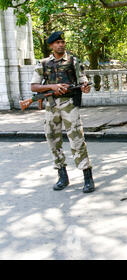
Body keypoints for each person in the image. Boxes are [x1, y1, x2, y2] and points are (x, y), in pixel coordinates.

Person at [30, 31, 95, 193]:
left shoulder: (74, 61)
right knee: (52, 138)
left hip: (69, 105)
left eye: (62, 42)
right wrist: (52, 87)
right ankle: (62, 176)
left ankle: (87, 177)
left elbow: (83, 82)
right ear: (51, 45)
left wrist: (85, 87)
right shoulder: (43, 63)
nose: (61, 44)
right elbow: (34, 86)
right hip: (51, 106)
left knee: (77, 139)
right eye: (57, 42)